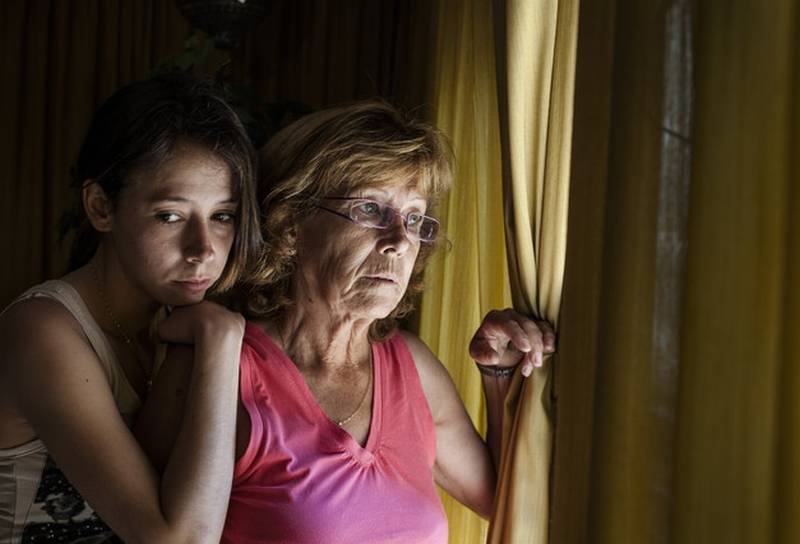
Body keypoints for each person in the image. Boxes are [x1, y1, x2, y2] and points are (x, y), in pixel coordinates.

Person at [139, 101, 555, 543]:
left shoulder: (411, 364)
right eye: (371, 210)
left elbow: (505, 502)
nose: (400, 242)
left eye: (414, 218)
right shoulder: (218, 364)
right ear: (292, 221)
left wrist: (499, 373)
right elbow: (149, 532)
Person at [0, 73, 261, 544]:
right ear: (101, 207)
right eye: (170, 216)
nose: (203, 249)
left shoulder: (171, 322)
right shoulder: (42, 330)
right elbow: (179, 540)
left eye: (222, 216)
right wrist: (222, 341)